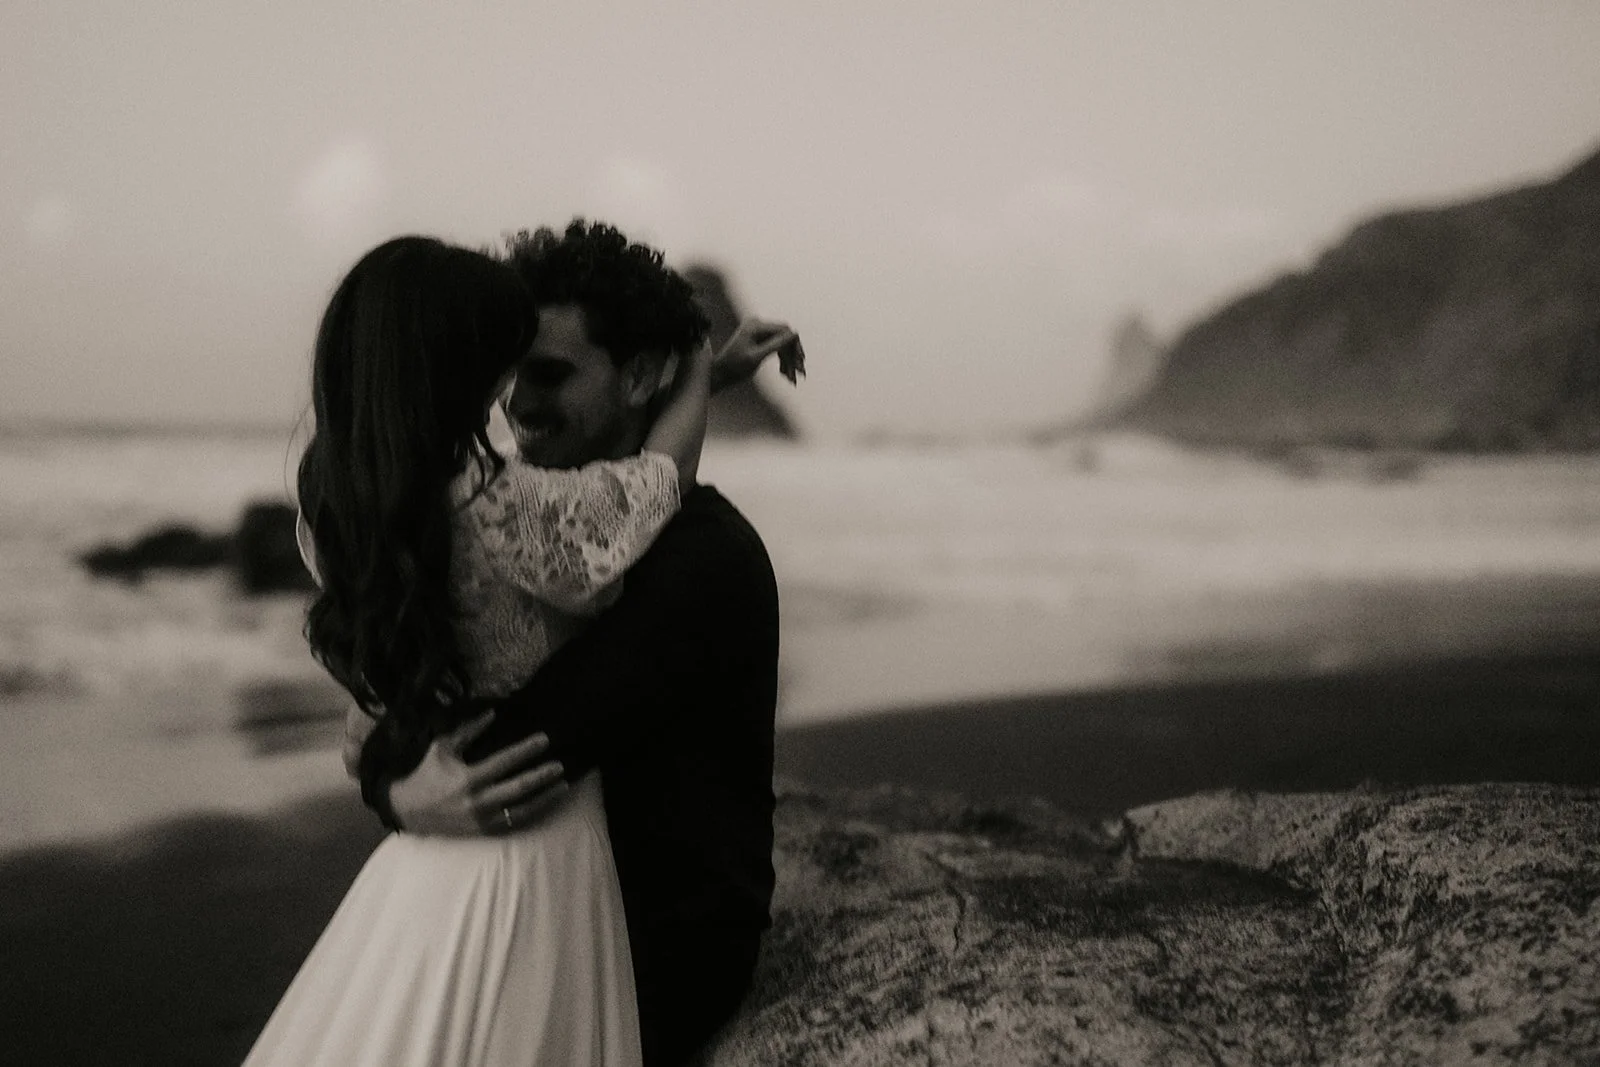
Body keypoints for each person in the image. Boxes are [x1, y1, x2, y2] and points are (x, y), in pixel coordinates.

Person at [246, 232, 752, 1065]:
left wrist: (389, 770)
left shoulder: (696, 556)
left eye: (542, 373)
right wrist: (697, 375)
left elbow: (530, 730)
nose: (513, 403)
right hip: (519, 867)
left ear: (639, 375)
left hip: (617, 927)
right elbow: (649, 482)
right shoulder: (504, 505)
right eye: (504, 372)